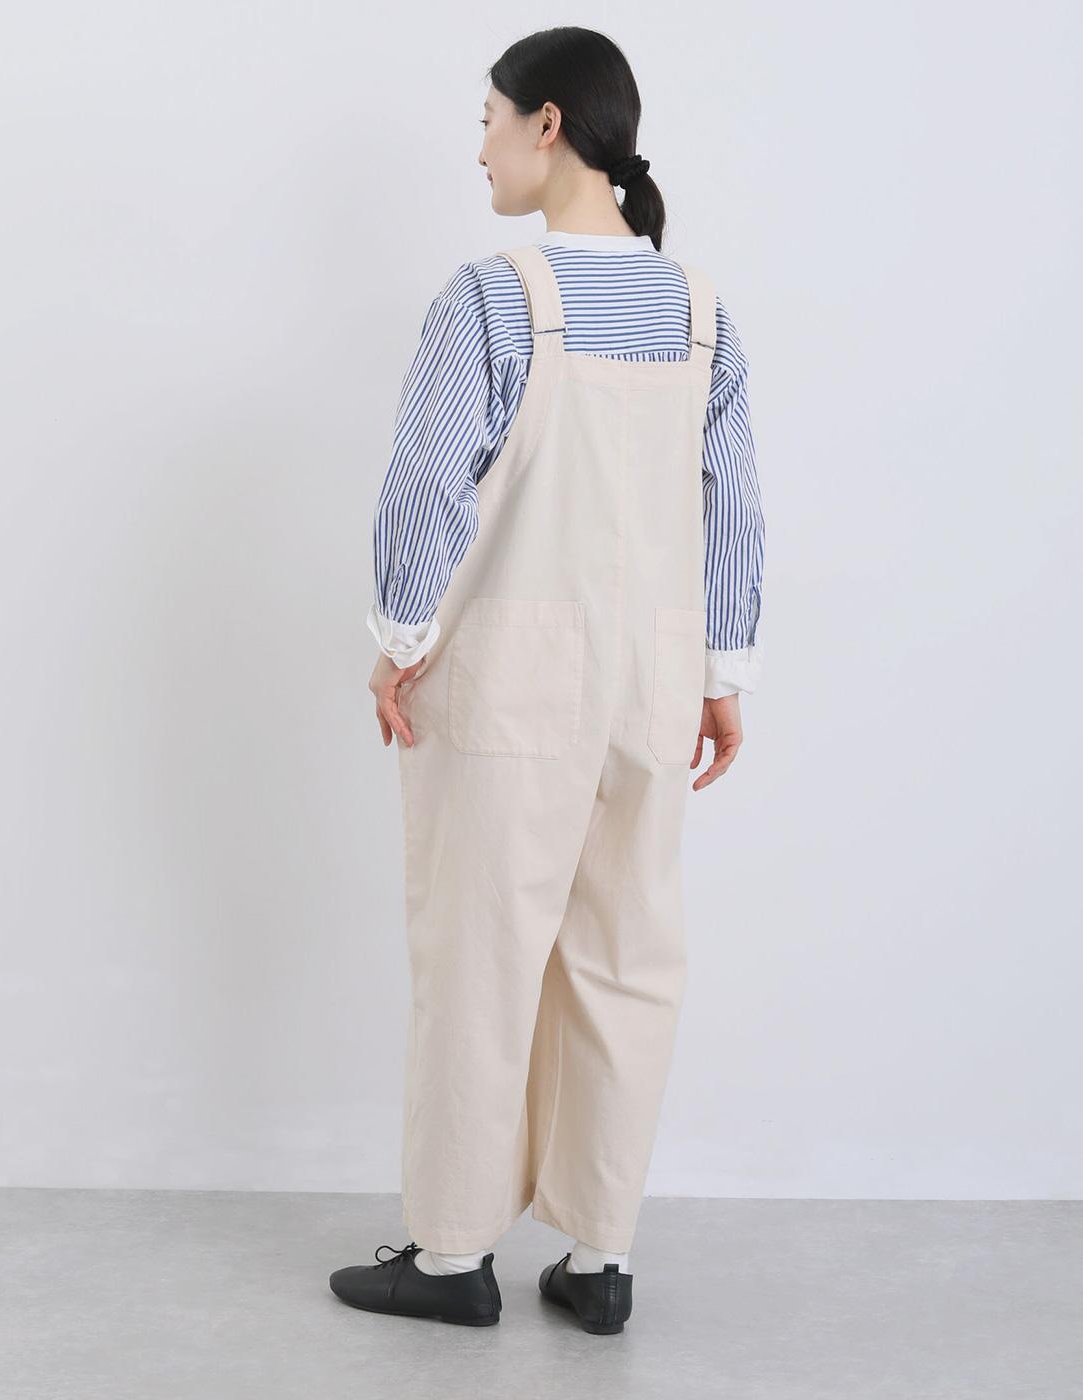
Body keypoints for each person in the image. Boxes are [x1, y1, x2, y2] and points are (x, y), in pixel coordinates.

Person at [330, 26, 765, 1335]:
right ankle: (600, 1256)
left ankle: (451, 1257)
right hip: (653, 679)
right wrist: (723, 671)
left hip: (512, 678)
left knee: (482, 954)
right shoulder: (699, 310)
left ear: (549, 124)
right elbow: (731, 503)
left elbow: (426, 487)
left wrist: (401, 639)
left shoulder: (492, 296)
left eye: (488, 119)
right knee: (627, 956)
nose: (479, 148)